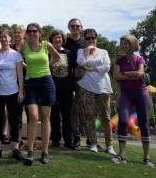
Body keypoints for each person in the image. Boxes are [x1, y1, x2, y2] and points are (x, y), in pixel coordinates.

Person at [111, 34, 154, 168]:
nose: (123, 45)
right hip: (126, 94)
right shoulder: (119, 60)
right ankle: (122, 154)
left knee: (144, 123)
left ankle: (146, 157)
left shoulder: (139, 59)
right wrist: (132, 74)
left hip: (141, 93)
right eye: (122, 43)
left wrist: (125, 74)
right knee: (123, 120)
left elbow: (140, 74)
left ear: (133, 44)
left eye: (126, 43)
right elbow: (115, 75)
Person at [22, 23, 61, 165]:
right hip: (31, 83)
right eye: (29, 31)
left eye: (34, 31)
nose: (32, 33)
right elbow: (19, 62)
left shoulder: (46, 45)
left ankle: (45, 151)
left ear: (39, 32)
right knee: (33, 116)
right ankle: (30, 151)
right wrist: (28, 66)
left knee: (45, 117)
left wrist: (48, 65)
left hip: (46, 82)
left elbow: (57, 57)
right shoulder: (24, 46)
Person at [76, 28, 116, 155]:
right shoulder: (81, 51)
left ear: (96, 39)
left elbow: (106, 67)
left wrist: (89, 67)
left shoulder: (104, 52)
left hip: (103, 87)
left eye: (93, 37)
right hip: (86, 87)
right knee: (89, 116)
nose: (90, 40)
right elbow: (80, 62)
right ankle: (93, 143)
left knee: (105, 117)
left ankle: (109, 145)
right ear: (84, 39)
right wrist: (88, 56)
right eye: (87, 38)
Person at [0, 28, 24, 161]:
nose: (4, 39)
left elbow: (20, 76)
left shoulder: (16, 55)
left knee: (14, 121)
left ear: (10, 39)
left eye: (6, 37)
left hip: (13, 92)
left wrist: (21, 91)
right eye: (1, 37)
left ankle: (15, 148)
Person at [48, 30, 73, 148]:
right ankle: (56, 139)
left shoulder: (68, 52)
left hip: (66, 88)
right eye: (55, 38)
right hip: (53, 87)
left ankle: (68, 139)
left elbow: (72, 71)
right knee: (54, 114)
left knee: (67, 114)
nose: (58, 40)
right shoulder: (48, 53)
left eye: (59, 38)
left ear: (62, 39)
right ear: (51, 40)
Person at [64, 18, 86, 149]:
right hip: (68, 78)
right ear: (69, 28)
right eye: (72, 26)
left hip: (84, 78)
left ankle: (90, 137)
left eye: (77, 26)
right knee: (72, 109)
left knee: (85, 109)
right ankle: (75, 136)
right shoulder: (65, 43)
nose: (75, 28)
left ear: (81, 27)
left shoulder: (85, 43)